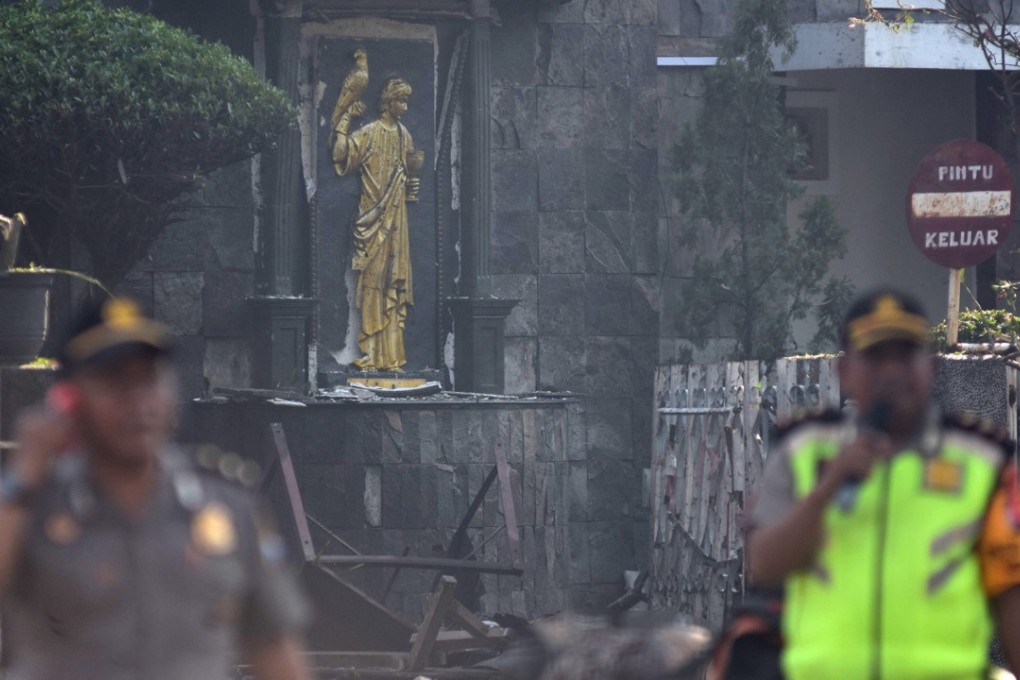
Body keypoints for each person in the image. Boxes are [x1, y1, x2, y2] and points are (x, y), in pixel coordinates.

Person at [0, 297, 310, 680]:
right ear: (70, 400)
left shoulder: (228, 508)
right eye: (115, 380)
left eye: (149, 378)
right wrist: (21, 478)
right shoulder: (32, 512)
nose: (138, 401)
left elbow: (277, 655)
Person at [746, 288, 1020, 679]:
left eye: (905, 355)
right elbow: (764, 567)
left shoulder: (983, 464)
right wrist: (826, 490)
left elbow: (1012, 597)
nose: (891, 372)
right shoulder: (801, 453)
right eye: (875, 357)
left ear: (931, 368)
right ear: (845, 371)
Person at [331, 75, 420, 372]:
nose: (404, 107)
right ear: (388, 101)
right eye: (401, 101)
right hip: (372, 219)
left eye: (407, 102)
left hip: (397, 221)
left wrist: (410, 186)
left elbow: (408, 174)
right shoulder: (369, 132)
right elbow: (341, 154)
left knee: (394, 281)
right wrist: (344, 120)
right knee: (372, 282)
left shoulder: (405, 136)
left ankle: (392, 356)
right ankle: (370, 349)